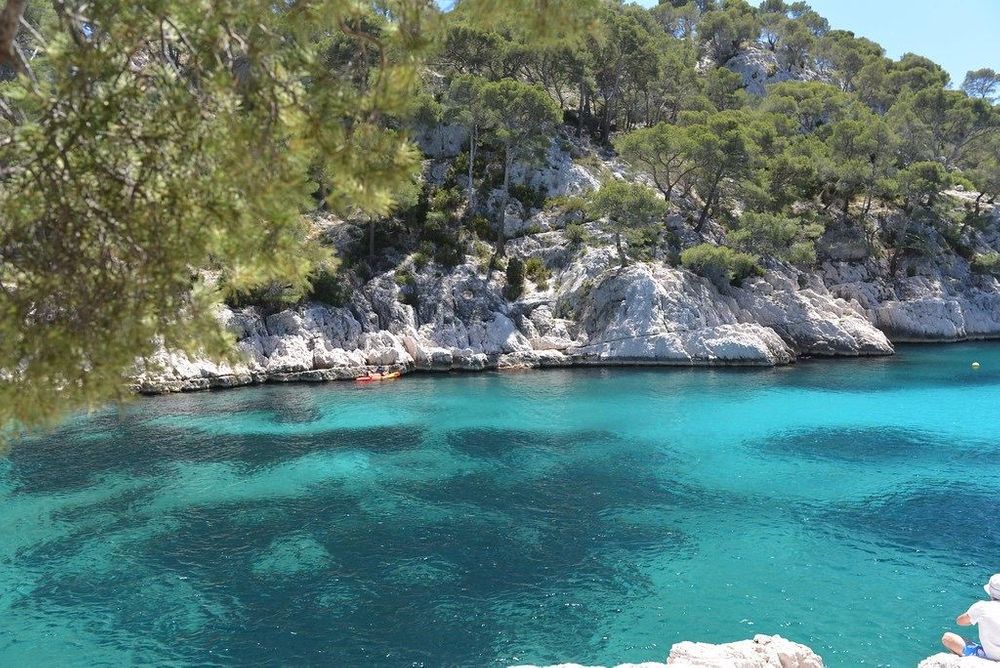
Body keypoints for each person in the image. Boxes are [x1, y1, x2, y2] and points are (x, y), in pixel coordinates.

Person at [942, 574, 1000, 660]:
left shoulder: (981, 607)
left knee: (947, 637)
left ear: (990, 592)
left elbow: (960, 621)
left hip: (989, 656)